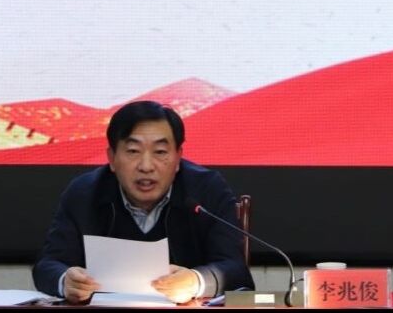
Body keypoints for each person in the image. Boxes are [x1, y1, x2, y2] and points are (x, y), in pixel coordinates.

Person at [32, 100, 254, 304]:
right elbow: (47, 266)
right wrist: (66, 280)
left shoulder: (206, 190)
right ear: (112, 158)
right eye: (133, 151)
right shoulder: (85, 193)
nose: (146, 166)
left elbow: (236, 271)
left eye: (160, 152)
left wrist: (196, 281)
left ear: (178, 158)